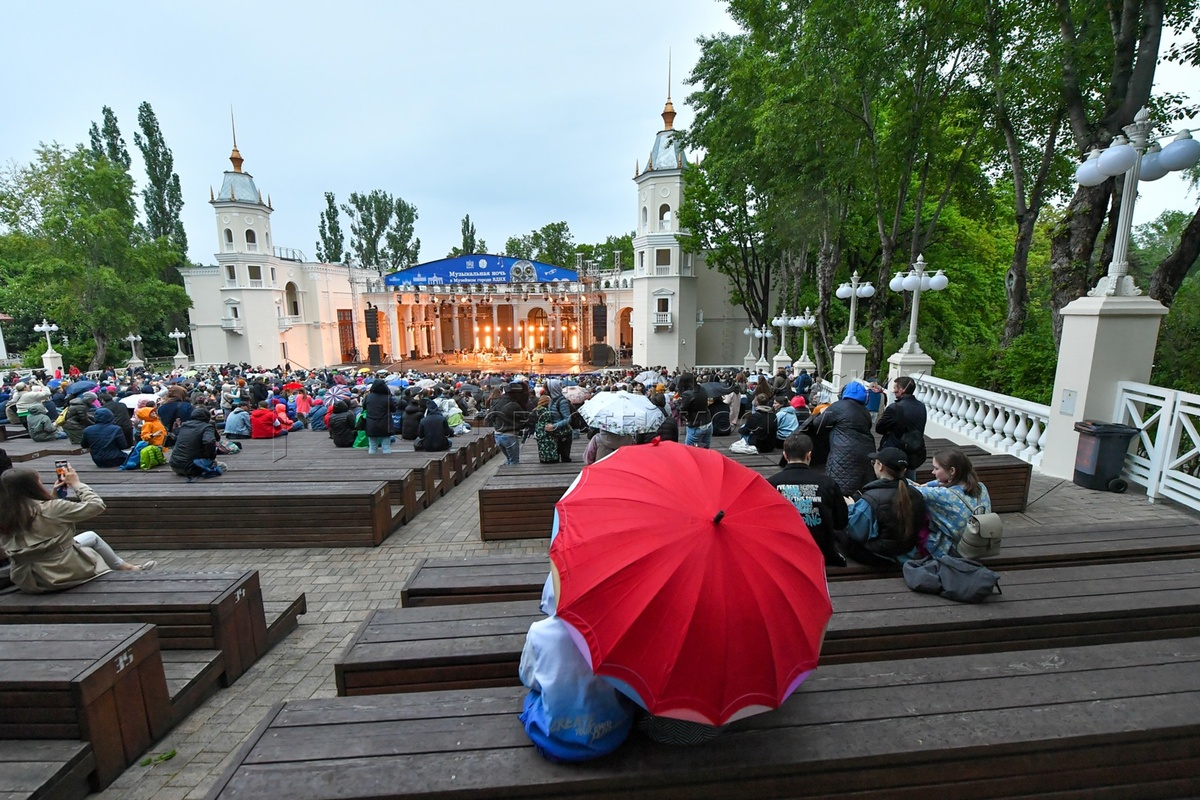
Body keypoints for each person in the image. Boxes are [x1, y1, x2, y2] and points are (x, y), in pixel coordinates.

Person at [0, 465, 153, 593]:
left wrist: (53, 497)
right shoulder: (52, 508)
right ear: (33, 486)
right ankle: (128, 569)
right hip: (63, 575)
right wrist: (77, 484)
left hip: (28, 580)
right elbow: (96, 505)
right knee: (91, 537)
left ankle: (128, 567)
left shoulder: (5, 513)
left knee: (90, 537)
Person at [836, 447, 927, 567]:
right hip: (906, 552)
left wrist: (851, 507)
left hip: (881, 556)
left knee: (837, 529)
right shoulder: (916, 494)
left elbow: (857, 532)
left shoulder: (871, 498)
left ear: (880, 466)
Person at [768, 433, 848, 567]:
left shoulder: (772, 483)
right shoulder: (828, 483)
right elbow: (841, 522)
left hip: (784, 552)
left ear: (785, 455)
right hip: (822, 552)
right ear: (809, 455)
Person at [916, 446, 993, 559]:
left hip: (957, 551)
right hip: (979, 544)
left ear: (952, 471)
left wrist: (925, 485)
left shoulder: (943, 494)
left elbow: (911, 490)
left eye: (936, 469)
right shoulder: (981, 487)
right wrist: (934, 483)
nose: (933, 472)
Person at [805, 381, 876, 495]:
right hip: (866, 451)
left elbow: (818, 424)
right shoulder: (865, 411)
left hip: (843, 452)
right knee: (859, 489)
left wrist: (822, 412)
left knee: (839, 488)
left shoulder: (839, 406)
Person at [875, 375, 927, 479]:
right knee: (910, 482)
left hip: (894, 452)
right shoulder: (921, 406)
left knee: (890, 482)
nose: (893, 391)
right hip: (914, 451)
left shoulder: (895, 408)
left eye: (895, 388)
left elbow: (879, 428)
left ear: (902, 390)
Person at [169, 407, 223, 478]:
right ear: (207, 417)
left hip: (174, 465)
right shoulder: (207, 427)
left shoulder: (184, 425)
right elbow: (209, 441)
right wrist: (211, 456)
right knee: (223, 466)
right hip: (192, 467)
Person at [487, 384, 525, 465]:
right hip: (510, 435)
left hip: (497, 435)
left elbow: (490, 416)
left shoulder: (496, 402)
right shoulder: (515, 405)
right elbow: (524, 418)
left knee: (509, 460)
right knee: (514, 463)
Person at [362, 380, 398, 454]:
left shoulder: (368, 397)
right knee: (386, 446)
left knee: (372, 446)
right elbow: (393, 409)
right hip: (385, 424)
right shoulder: (387, 397)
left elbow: (364, 407)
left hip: (371, 424)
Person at [676, 373, 711, 448]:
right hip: (708, 423)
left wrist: (677, 403)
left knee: (689, 451)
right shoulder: (702, 389)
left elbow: (682, 409)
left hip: (696, 425)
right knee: (705, 451)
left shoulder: (687, 394)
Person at [543, 380, 574, 463]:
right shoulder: (552, 400)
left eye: (547, 389)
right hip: (555, 435)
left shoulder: (562, 401)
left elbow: (568, 419)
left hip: (563, 435)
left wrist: (554, 426)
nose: (546, 391)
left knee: (564, 461)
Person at [532, 396, 560, 463]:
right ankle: (551, 458)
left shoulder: (535, 410)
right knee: (550, 444)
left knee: (541, 446)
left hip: (539, 429)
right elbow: (549, 419)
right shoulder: (545, 410)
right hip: (546, 428)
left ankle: (543, 458)